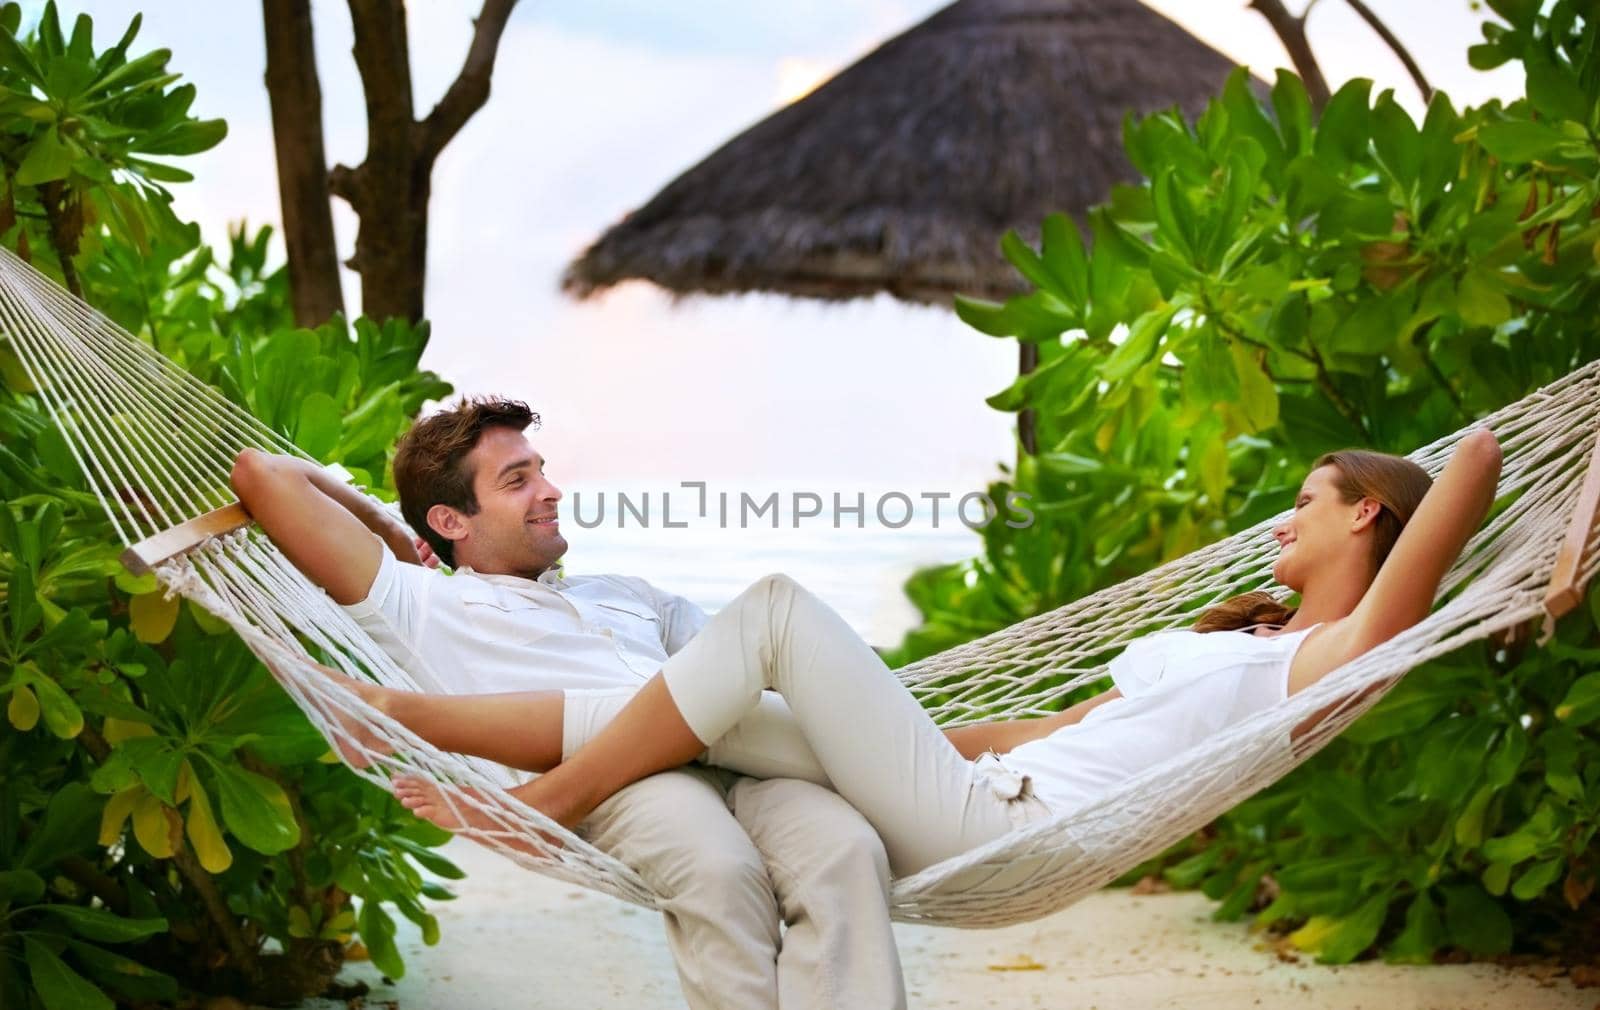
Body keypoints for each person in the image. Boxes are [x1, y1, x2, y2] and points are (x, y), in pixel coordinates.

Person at [372, 432, 1502, 879]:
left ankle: (546, 801)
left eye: (1307, 502)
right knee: (685, 701)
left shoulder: (1338, 655)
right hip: (973, 785)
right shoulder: (1254, 637)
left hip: (1003, 832)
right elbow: (1052, 731)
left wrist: (1571, 444)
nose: (1277, 523)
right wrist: (878, 728)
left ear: (1365, 520)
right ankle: (393, 709)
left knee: (767, 612)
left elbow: (1480, 462)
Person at [229, 398, 907, 1010]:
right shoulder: (420, 604)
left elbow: (739, 670)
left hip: (740, 756)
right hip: (613, 783)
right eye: (516, 480)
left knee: (846, 848)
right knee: (720, 871)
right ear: (449, 521)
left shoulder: (621, 592)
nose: (550, 492)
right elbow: (263, 475)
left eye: (541, 471)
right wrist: (387, 525)